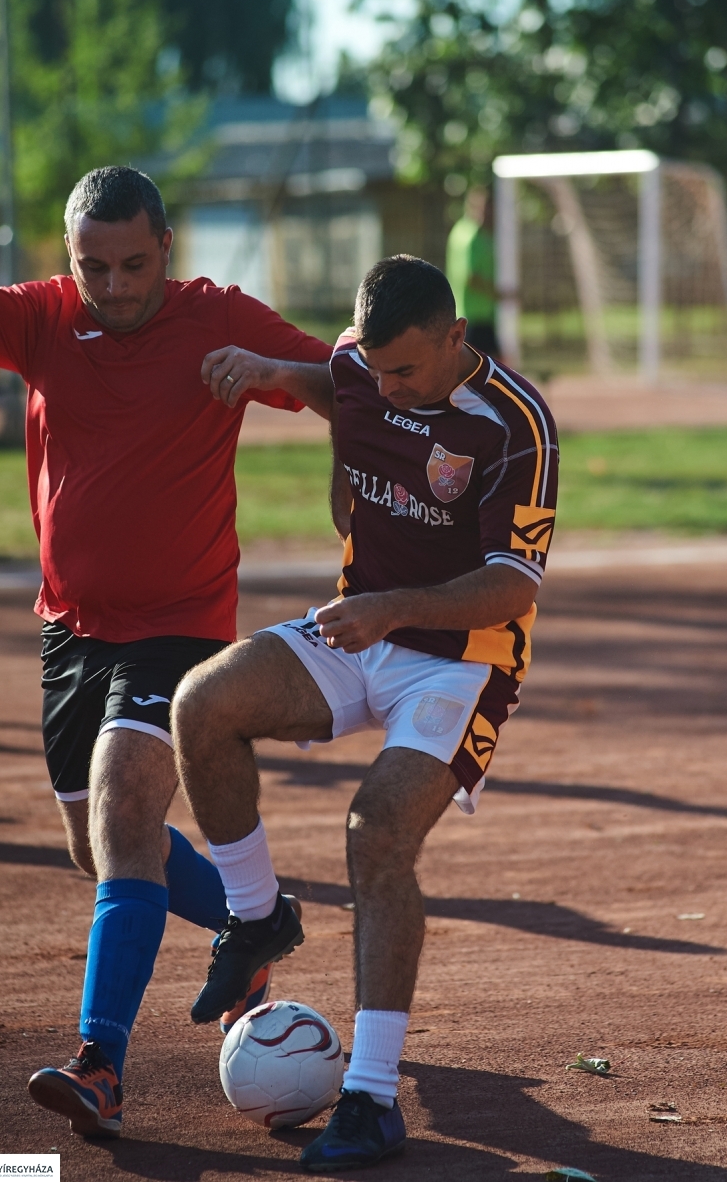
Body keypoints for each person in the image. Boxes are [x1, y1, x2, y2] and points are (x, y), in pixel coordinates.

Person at [0, 166, 334, 1138]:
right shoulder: (41, 316)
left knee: (127, 806)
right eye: (94, 267)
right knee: (97, 846)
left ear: (166, 248)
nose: (115, 286)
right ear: (69, 257)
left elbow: (347, 385)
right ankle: (254, 926)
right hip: (70, 628)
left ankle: (101, 1065)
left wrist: (271, 371)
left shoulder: (220, 316)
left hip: (181, 623)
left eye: (133, 264)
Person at [172, 254, 558, 1171]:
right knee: (202, 703)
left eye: (407, 371)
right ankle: (257, 917)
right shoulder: (359, 364)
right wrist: (269, 371)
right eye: (376, 370)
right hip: (361, 624)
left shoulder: (515, 422)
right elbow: (336, 382)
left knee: (376, 831)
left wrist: (392, 608)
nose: (387, 389)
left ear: (457, 336)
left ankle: (373, 1098)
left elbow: (513, 584)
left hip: (461, 660)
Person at [445, 185, 503, 359]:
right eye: (485, 208)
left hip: (482, 314)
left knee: (493, 363)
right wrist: (499, 294)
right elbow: (471, 277)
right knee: (487, 364)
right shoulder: (470, 235)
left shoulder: (472, 232)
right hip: (473, 315)